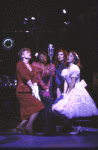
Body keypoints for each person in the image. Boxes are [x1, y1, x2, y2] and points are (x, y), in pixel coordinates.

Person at [52, 51, 98, 134]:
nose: (68, 57)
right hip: (70, 89)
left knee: (71, 109)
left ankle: (76, 127)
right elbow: (66, 82)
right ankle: (72, 126)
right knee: (62, 109)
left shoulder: (74, 68)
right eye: (68, 56)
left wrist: (69, 93)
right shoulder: (67, 69)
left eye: (70, 56)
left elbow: (72, 82)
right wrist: (64, 93)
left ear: (74, 59)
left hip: (75, 90)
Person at [16, 48, 45, 135]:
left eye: (29, 52)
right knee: (38, 106)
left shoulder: (32, 66)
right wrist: (32, 87)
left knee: (29, 111)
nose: (29, 53)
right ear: (22, 55)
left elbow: (35, 78)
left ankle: (20, 126)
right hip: (22, 91)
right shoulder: (20, 64)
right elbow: (25, 76)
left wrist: (35, 90)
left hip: (30, 91)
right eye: (27, 52)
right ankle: (28, 126)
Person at [32, 51, 55, 133]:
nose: (43, 58)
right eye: (41, 56)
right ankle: (43, 126)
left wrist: (48, 88)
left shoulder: (50, 65)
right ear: (38, 58)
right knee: (43, 107)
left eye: (45, 56)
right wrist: (45, 88)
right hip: (40, 87)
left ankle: (50, 126)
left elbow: (51, 78)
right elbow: (38, 77)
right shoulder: (36, 64)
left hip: (49, 87)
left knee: (50, 106)